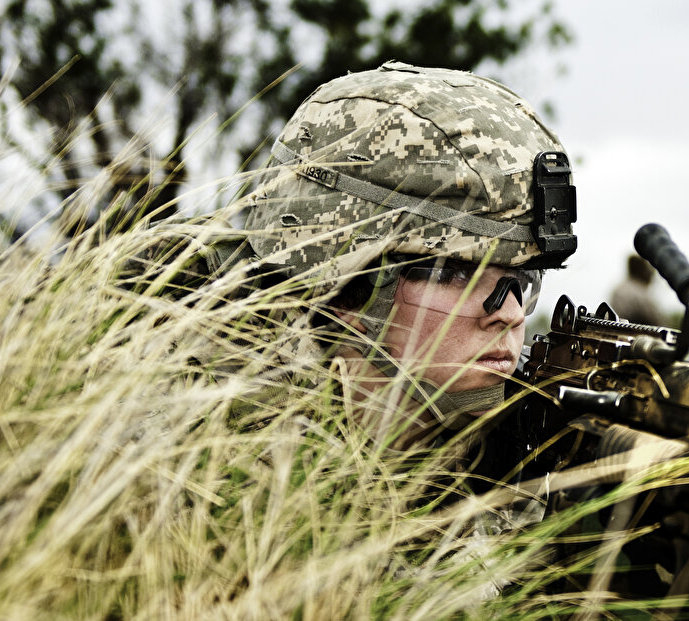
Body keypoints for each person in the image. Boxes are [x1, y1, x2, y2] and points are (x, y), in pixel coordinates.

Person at [238, 60, 578, 450]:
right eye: (454, 273)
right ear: (343, 280)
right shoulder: (215, 428)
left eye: (522, 280)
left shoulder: (524, 438)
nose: (512, 314)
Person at [608, 254, 663, 325]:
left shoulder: (619, 289)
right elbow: (656, 321)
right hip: (633, 331)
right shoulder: (639, 292)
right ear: (642, 270)